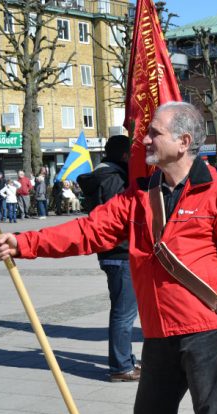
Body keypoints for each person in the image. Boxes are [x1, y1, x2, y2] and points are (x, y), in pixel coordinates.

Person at [0, 101, 217, 414]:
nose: (144, 140)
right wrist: (25, 243)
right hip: (159, 334)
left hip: (207, 330)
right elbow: (88, 231)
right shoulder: (140, 195)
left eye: (154, 133)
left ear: (184, 142)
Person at [76, 135, 141, 382]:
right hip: (121, 252)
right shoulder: (114, 179)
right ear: (125, 156)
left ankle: (125, 360)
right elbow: (119, 218)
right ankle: (121, 366)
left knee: (122, 311)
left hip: (110, 252)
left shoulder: (102, 175)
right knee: (124, 313)